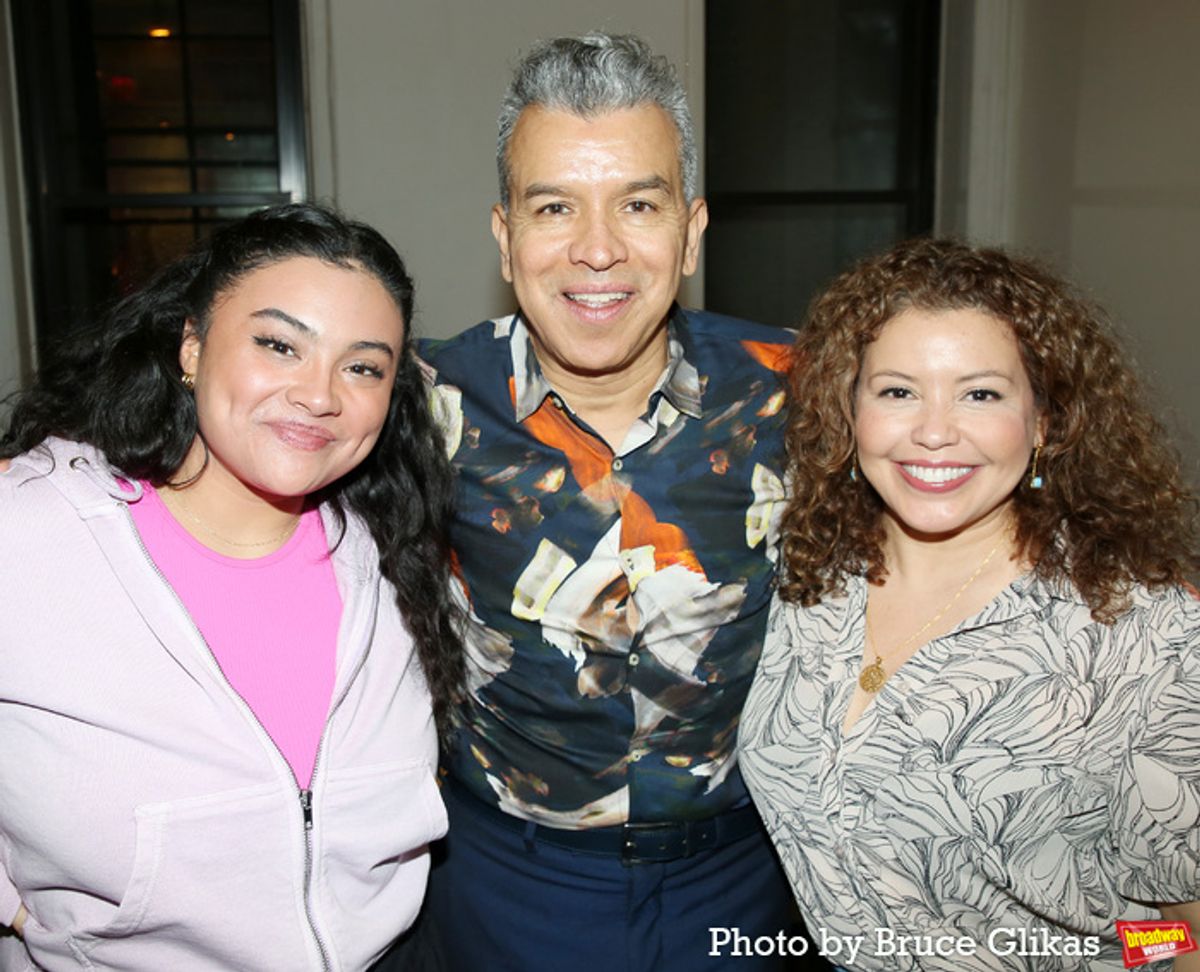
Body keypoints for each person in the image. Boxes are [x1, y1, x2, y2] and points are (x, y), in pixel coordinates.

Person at [406, 31, 801, 972]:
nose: (596, 250)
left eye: (637, 203)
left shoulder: (799, 391)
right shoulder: (416, 406)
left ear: (692, 231)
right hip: (508, 882)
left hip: (748, 880)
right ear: (505, 236)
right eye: (554, 207)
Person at [0, 203, 461, 971]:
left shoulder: (393, 555)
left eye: (362, 366)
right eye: (279, 344)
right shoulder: (35, 530)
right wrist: (29, 917)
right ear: (192, 345)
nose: (320, 395)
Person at [739, 237, 1200, 971]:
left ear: (1045, 422)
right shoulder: (809, 567)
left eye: (980, 393)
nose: (933, 431)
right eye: (897, 391)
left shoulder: (1145, 638)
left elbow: (1185, 933)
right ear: (848, 409)